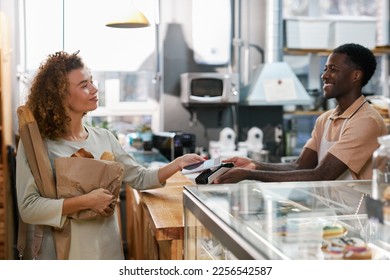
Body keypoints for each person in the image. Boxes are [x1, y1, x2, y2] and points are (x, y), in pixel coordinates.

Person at [15, 50, 205, 260]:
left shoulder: (104, 138)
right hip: (65, 254)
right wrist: (85, 201)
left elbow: (140, 178)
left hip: (108, 250)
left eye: (92, 81)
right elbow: (29, 209)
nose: (95, 89)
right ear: (59, 95)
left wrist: (178, 164)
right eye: (84, 85)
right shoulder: (36, 145)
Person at [214, 43, 388, 184]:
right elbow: (299, 166)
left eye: (333, 69)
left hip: (362, 219)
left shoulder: (366, 120)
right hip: (336, 214)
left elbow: (322, 174)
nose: (325, 75)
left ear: (355, 76)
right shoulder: (325, 119)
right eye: (325, 68)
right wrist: (253, 165)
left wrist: (248, 175)